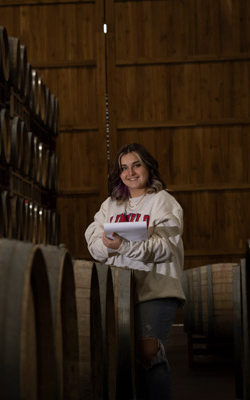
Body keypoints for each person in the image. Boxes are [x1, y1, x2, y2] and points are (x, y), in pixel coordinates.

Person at [84, 143, 185, 400]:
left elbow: (164, 248)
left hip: (157, 288)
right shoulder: (111, 205)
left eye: (136, 165)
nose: (130, 172)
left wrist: (122, 245)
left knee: (149, 353)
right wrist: (111, 248)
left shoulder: (163, 202)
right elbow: (94, 244)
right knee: (125, 359)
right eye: (123, 168)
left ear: (149, 167)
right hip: (121, 291)